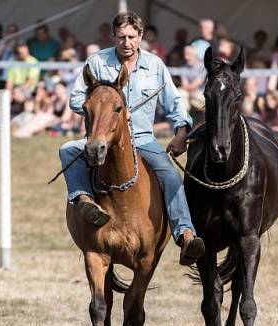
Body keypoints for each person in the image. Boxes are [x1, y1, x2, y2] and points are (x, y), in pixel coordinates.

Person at [58, 11, 204, 265]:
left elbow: (175, 103)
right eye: (121, 37)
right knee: (68, 149)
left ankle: (185, 233)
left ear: (140, 36)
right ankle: (83, 199)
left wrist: (181, 131)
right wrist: (103, 108)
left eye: (131, 37)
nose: (126, 42)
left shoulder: (155, 66)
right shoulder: (96, 62)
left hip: (143, 139)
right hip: (101, 137)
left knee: (170, 174)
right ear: (114, 37)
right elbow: (75, 98)